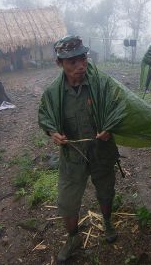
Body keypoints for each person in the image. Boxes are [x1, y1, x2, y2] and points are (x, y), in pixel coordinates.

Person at [38, 36, 119, 262]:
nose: (80, 66)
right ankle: (73, 237)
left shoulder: (101, 83)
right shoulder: (53, 93)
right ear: (60, 64)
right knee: (67, 199)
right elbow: (45, 117)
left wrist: (110, 128)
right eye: (72, 62)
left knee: (105, 189)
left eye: (82, 59)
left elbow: (117, 108)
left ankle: (108, 222)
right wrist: (52, 133)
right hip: (72, 155)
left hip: (101, 150)